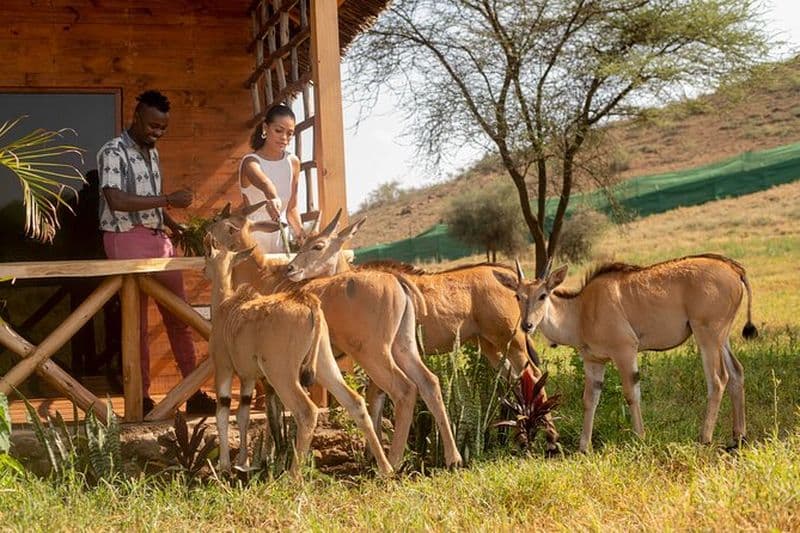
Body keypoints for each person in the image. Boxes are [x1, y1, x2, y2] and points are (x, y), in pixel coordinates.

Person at [97, 89, 215, 415]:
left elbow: (152, 199)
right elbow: (116, 201)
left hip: (158, 238)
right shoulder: (112, 152)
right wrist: (167, 200)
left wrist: (174, 225)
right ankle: (140, 398)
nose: (156, 133)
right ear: (136, 118)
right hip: (124, 238)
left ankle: (194, 392)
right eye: (152, 126)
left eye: (162, 128)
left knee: (180, 317)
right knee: (135, 325)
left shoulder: (153, 154)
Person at [239, 103, 306, 252]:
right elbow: (265, 183)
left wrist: (301, 234)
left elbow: (291, 207)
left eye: (289, 133)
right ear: (265, 128)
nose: (284, 138)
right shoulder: (250, 162)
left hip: (281, 238)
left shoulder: (293, 162)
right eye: (278, 130)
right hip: (254, 237)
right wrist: (274, 198)